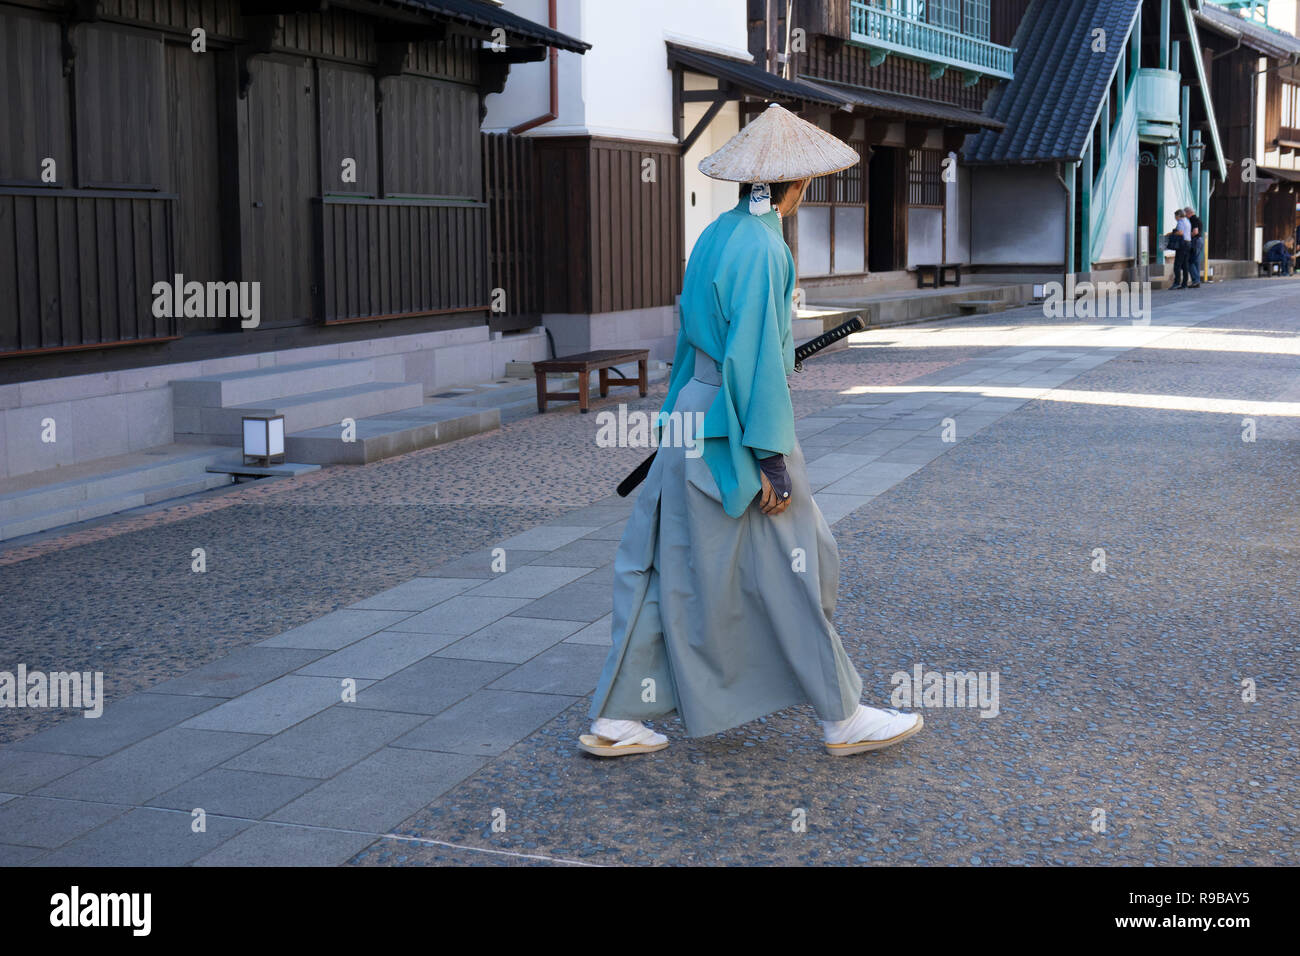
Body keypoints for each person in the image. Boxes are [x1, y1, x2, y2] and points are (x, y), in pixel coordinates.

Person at [580, 104, 924, 759]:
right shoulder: (766, 246)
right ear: (794, 184)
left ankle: (618, 717)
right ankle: (842, 714)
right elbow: (757, 362)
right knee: (798, 564)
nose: (808, 190)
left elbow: (709, 344)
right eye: (807, 181)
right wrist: (769, 461)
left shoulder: (717, 233)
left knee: (665, 566)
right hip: (740, 427)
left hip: (693, 416)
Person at [1168, 211, 1192, 289]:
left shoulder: (1180, 222)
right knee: (1185, 264)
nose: (1175, 218)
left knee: (1177, 264)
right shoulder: (1187, 221)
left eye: (1175, 216)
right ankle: (1184, 283)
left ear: (1178, 216)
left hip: (1182, 244)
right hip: (1188, 243)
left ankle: (1177, 282)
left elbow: (1181, 233)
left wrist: (1171, 234)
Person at [1184, 206, 1203, 287]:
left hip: (1195, 241)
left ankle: (1195, 280)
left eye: (1185, 214)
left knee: (1190, 261)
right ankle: (1197, 280)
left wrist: (1187, 236)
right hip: (1200, 240)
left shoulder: (1193, 219)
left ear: (1189, 213)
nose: (1184, 216)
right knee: (1196, 261)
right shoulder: (1198, 219)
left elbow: (1195, 232)